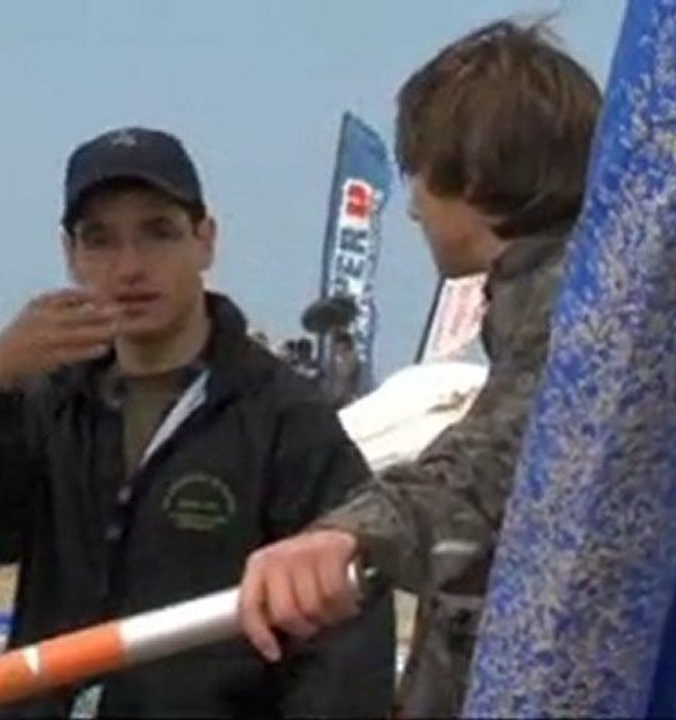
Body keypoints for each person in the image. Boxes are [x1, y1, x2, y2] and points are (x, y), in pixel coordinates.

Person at [0, 126, 394, 718]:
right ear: (71, 254)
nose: (130, 266)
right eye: (101, 240)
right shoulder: (49, 399)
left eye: (158, 233)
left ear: (205, 240)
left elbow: (347, 635)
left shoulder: (284, 416)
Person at [236, 19, 602, 718]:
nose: (409, 206)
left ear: (470, 171)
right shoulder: (564, 301)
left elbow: (507, 462)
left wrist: (351, 532)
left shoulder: (579, 312)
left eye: (420, 174)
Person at [325, 332, 361, 409]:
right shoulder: (334, 362)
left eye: (344, 350)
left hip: (348, 402)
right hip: (335, 402)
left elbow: (346, 373)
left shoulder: (352, 359)